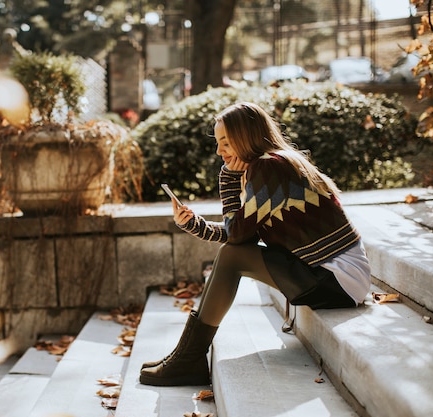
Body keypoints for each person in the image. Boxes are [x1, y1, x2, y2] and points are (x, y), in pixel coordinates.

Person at [139, 102, 371, 387]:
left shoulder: (270, 167)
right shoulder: (273, 165)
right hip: (334, 275)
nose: (219, 151)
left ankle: (188, 357)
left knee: (230, 256)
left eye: (225, 142)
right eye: (218, 142)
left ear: (246, 136)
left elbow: (236, 237)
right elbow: (243, 236)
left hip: (337, 278)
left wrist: (228, 181)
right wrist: (192, 223)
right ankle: (185, 355)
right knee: (232, 255)